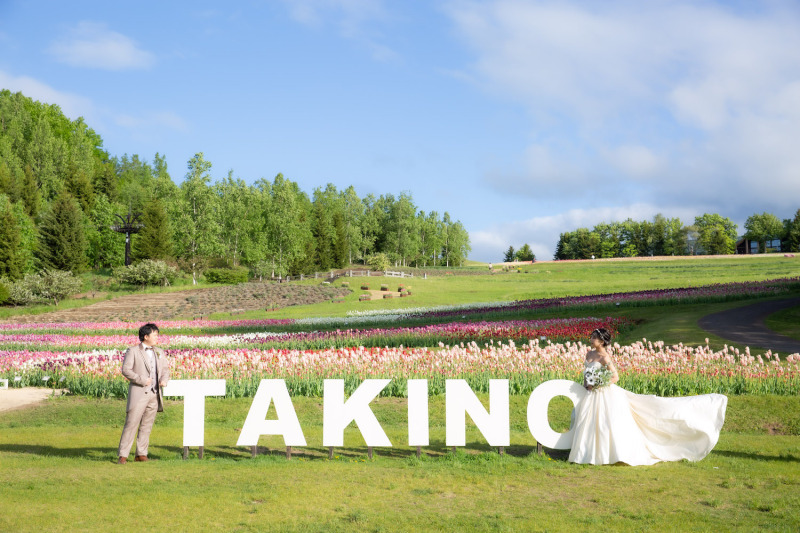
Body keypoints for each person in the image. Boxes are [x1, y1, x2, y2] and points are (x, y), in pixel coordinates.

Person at [569, 328, 727, 465]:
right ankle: (586, 452)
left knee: (604, 423)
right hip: (590, 393)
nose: (591, 339)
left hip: (603, 393)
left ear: (602, 341)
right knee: (587, 421)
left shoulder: (605, 358)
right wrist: (586, 385)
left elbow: (615, 377)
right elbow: (587, 372)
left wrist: (598, 384)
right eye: (591, 337)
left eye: (594, 338)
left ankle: (605, 454)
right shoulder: (589, 353)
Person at [117, 323, 170, 464]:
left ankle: (141, 453)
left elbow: (165, 370)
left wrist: (164, 380)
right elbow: (126, 370)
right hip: (139, 394)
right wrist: (141, 380)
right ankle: (123, 455)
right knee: (131, 424)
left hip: (154, 394)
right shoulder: (133, 351)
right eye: (155, 335)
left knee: (147, 425)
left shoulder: (159, 351)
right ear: (146, 336)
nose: (157, 337)